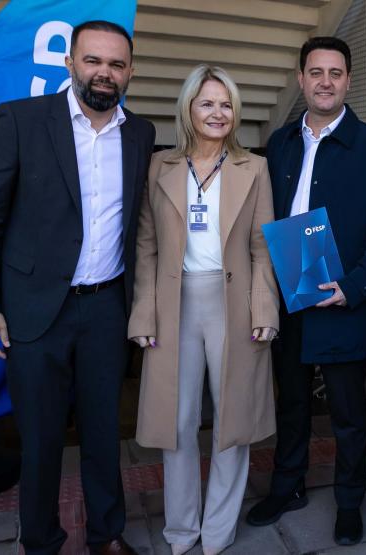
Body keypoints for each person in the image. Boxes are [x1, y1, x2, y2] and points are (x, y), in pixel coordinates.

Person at [0, 20, 155, 555]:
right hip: (33, 310)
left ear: (130, 72)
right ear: (70, 63)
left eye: (116, 64)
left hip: (105, 310)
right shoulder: (22, 120)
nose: (104, 73)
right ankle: (42, 543)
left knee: (102, 435)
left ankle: (106, 535)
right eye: (93, 60)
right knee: (41, 442)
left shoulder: (140, 134)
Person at [245, 36, 366, 545]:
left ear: (348, 81)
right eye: (316, 72)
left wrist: (355, 286)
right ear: (301, 79)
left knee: (347, 413)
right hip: (290, 295)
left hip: (344, 299)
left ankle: (349, 502)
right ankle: (287, 485)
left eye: (335, 73)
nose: (325, 81)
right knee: (290, 403)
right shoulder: (281, 143)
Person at [128, 64, 279, 555]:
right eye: (208, 103)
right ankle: (180, 528)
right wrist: (144, 315)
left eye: (227, 104)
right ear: (189, 110)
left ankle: (217, 528)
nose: (218, 113)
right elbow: (146, 249)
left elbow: (262, 246)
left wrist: (264, 310)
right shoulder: (160, 167)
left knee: (233, 420)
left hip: (233, 304)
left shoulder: (253, 167)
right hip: (175, 304)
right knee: (177, 422)